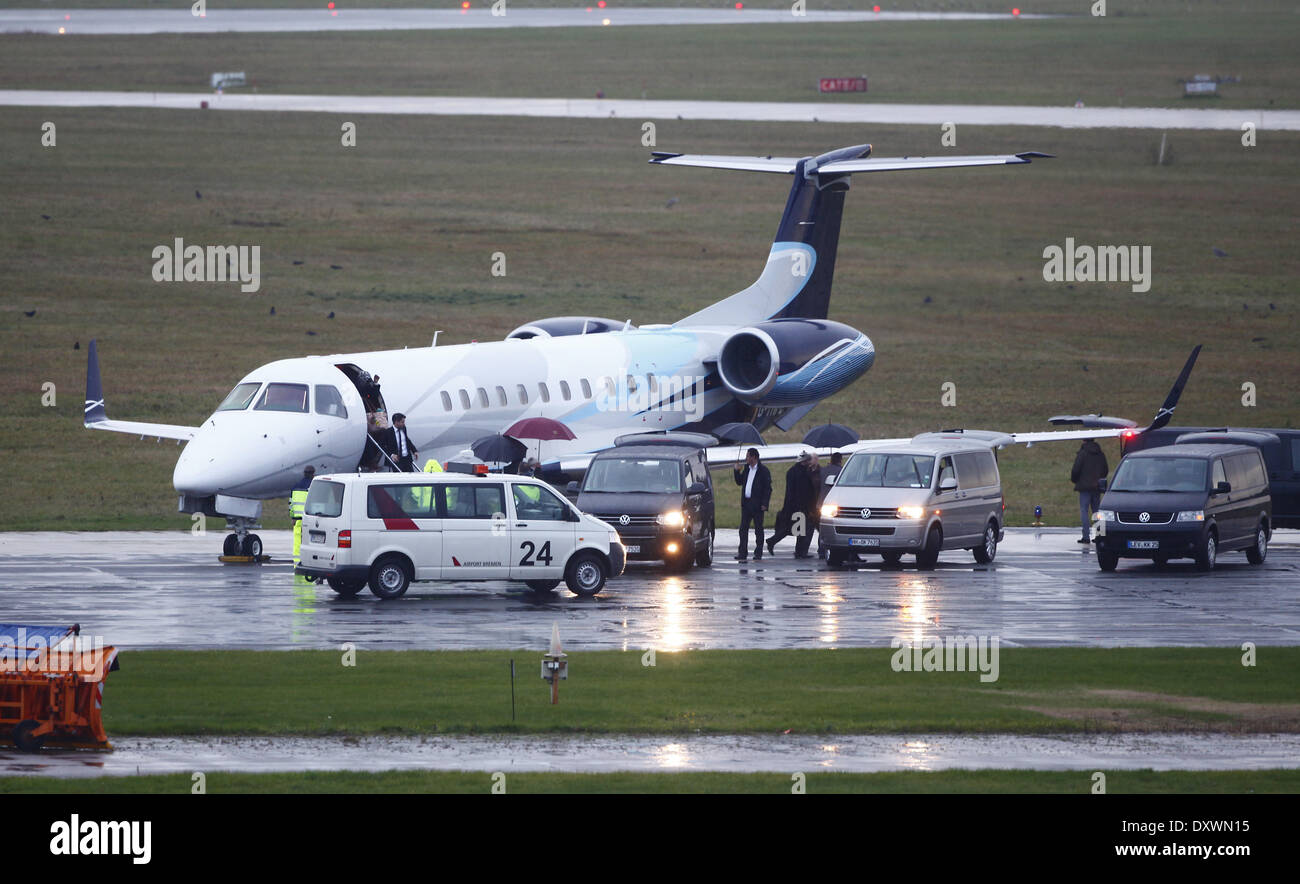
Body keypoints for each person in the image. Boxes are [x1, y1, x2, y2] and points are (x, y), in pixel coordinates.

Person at [767, 452, 819, 558]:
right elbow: (806, 492)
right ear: (804, 462)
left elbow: (790, 491)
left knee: (795, 529)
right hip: (800, 506)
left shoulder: (791, 471)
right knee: (797, 530)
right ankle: (797, 551)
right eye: (808, 461)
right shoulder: (804, 473)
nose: (809, 463)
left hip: (791, 505)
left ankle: (797, 551)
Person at [733, 448, 771, 561]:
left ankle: (758, 552)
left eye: (748, 456)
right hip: (747, 504)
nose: (746, 458)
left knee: (758, 529)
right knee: (743, 529)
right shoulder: (747, 469)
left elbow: (767, 489)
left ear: (754, 457)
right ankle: (742, 553)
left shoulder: (763, 471)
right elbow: (739, 482)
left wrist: (765, 503)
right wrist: (736, 471)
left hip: (758, 505)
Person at [1071, 438, 1109, 543]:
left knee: (1084, 511)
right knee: (1097, 512)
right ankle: (1100, 535)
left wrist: (1075, 480)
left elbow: (1076, 469)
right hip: (1097, 487)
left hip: (1084, 486)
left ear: (1084, 441)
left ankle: (1086, 536)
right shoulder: (1100, 454)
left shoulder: (1082, 453)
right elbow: (1105, 469)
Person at [816, 452, 843, 558]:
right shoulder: (841, 472)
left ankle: (821, 549)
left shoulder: (822, 470)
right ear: (840, 460)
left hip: (820, 503)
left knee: (822, 528)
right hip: (833, 504)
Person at [290, 466, 315, 564]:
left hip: (298, 520)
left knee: (297, 543)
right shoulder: (314, 487)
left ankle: (297, 563)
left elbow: (291, 504)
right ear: (313, 473)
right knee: (310, 543)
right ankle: (308, 563)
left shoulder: (296, 487)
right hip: (310, 520)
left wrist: (292, 517)